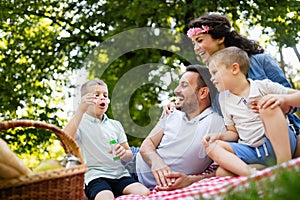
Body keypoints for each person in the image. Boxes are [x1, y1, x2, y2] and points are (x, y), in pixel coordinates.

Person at [187, 13, 300, 157]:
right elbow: (210, 115)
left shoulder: (261, 61)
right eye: (193, 43)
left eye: (199, 40)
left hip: (284, 136)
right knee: (223, 171)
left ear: (220, 38)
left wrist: (273, 103)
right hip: (251, 146)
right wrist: (175, 106)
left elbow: (293, 101)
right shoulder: (214, 84)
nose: (196, 48)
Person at [202, 47, 298, 176]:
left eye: (215, 72)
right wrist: (218, 137)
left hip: (278, 144)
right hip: (252, 151)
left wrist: (282, 99)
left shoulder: (262, 86)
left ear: (234, 69)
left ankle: (284, 167)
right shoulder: (223, 99)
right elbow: (233, 133)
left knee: (267, 106)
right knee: (215, 155)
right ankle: (253, 173)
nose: (212, 79)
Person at [135, 65, 226, 190]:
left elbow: (226, 168)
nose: (176, 90)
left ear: (203, 93)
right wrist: (156, 162)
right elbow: (147, 144)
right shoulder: (171, 113)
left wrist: (191, 181)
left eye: (184, 85)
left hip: (141, 183)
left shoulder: (218, 125)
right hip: (131, 164)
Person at [63, 79, 149, 200]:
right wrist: (80, 110)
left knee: (144, 193)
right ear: (84, 100)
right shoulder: (79, 122)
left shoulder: (115, 125)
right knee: (105, 197)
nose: (102, 98)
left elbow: (129, 155)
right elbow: (64, 139)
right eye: (96, 95)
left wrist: (123, 153)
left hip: (120, 174)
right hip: (95, 176)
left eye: (105, 95)